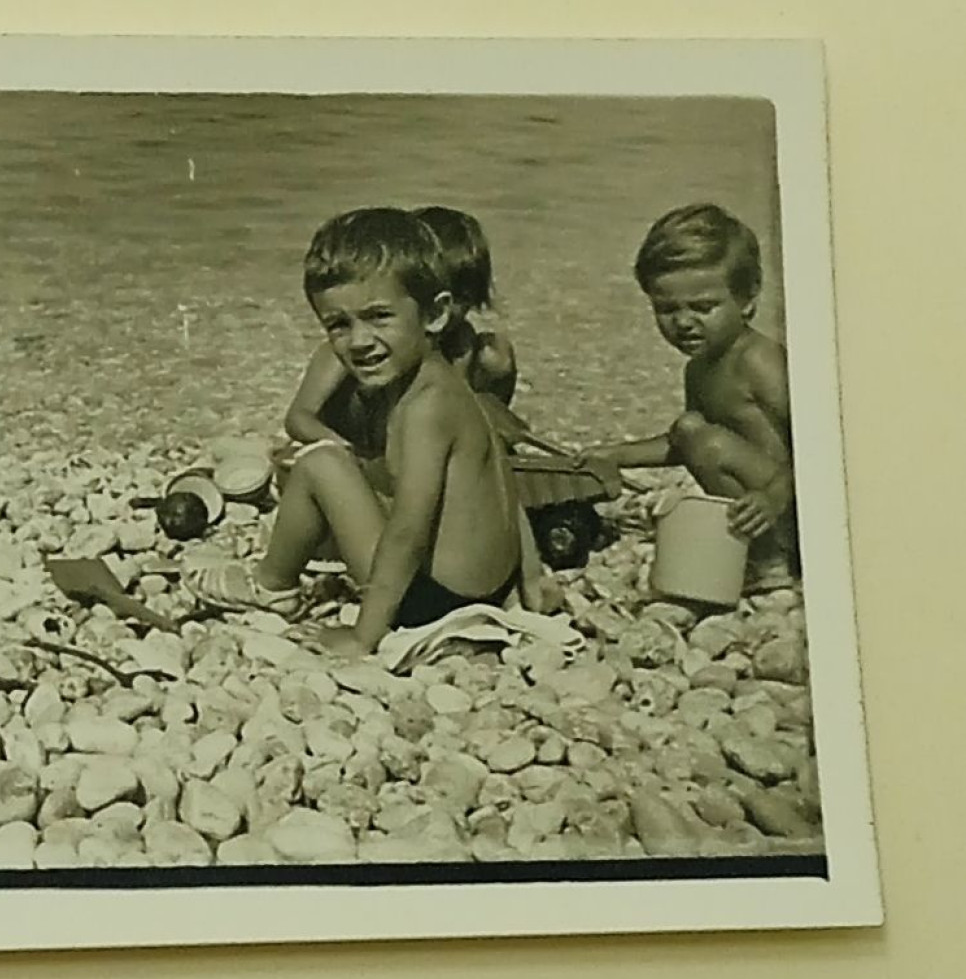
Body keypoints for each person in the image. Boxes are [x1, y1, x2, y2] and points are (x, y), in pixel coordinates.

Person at [184, 208, 522, 655]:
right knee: (350, 469)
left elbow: (407, 534)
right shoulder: (449, 387)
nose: (359, 341)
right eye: (338, 326)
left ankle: (271, 584)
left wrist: (364, 636)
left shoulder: (425, 408)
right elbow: (504, 490)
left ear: (436, 315)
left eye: (378, 317)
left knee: (320, 463)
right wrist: (528, 581)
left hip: (435, 601)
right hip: (487, 587)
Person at [577, 203, 799, 591]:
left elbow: (825, 443)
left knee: (705, 439)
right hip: (764, 509)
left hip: (793, 507)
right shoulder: (699, 367)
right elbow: (684, 444)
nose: (682, 322)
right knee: (691, 427)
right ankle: (761, 554)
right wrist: (613, 454)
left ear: (747, 299)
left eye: (703, 307)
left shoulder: (759, 361)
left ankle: (772, 562)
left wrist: (772, 498)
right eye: (666, 309)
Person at [282, 205, 518, 456]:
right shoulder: (351, 348)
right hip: (352, 444)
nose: (450, 313)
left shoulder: (468, 348)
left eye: (462, 299)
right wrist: (346, 451)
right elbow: (298, 418)